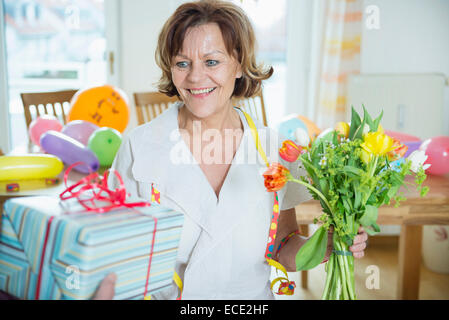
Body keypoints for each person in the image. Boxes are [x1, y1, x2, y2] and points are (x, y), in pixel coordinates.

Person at [95, 0, 368, 300]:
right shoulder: (138, 149)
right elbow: (116, 259)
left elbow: (282, 245)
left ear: (239, 64)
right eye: (182, 63)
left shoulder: (271, 149)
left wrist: (327, 244)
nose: (196, 77)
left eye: (212, 62)